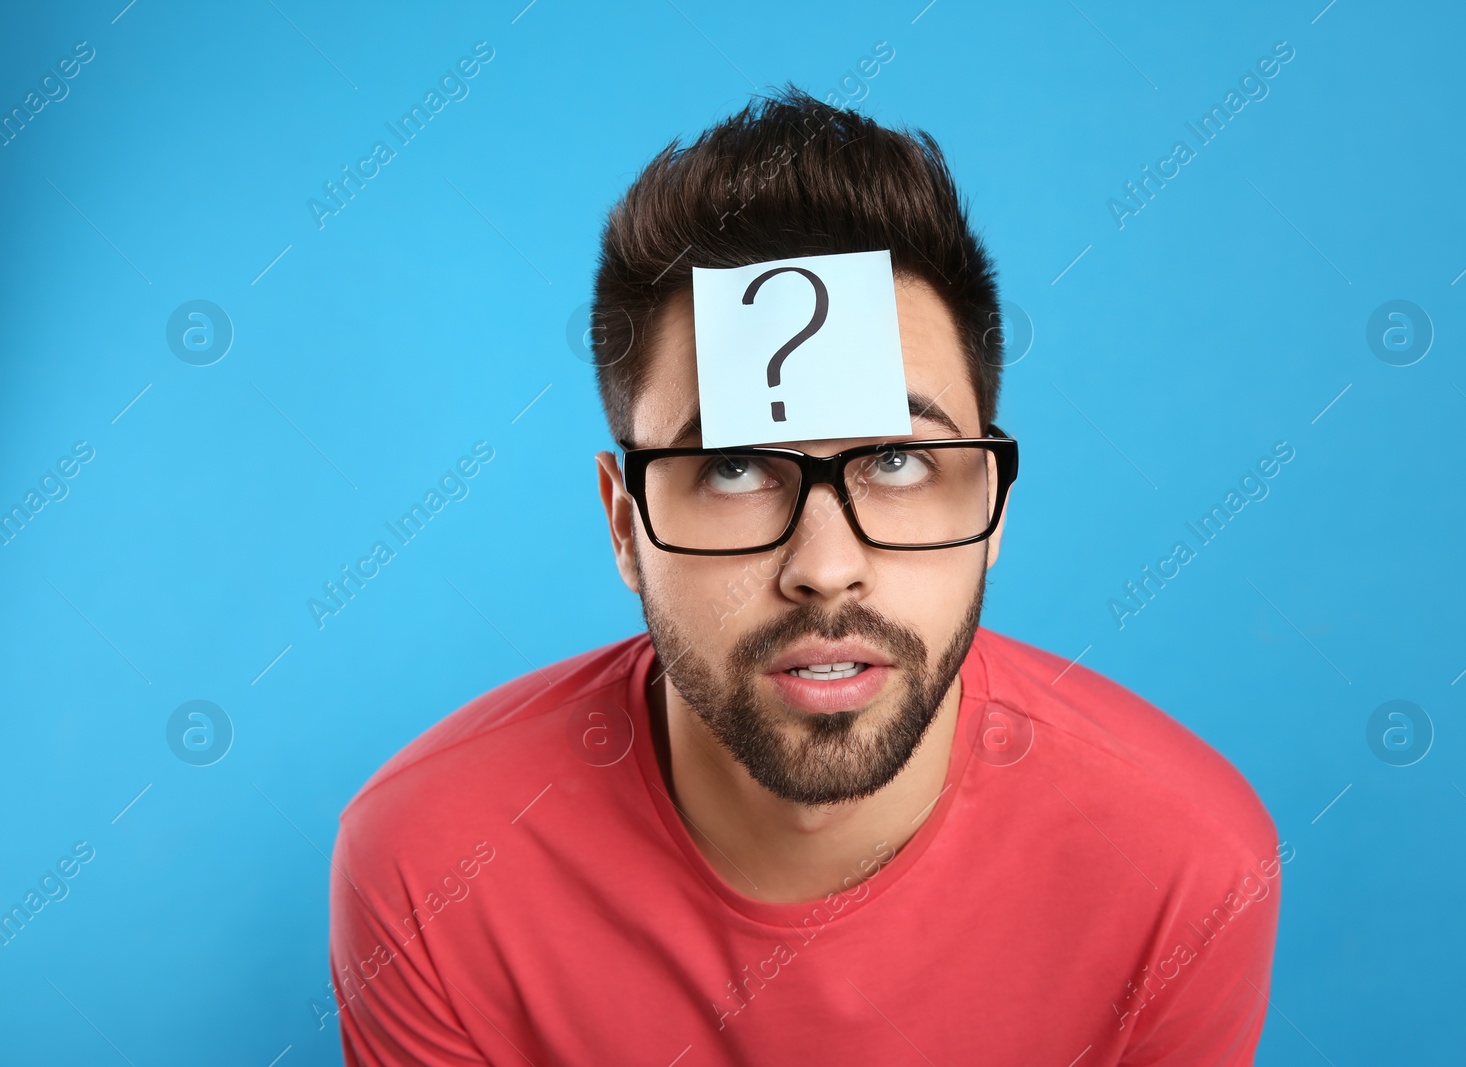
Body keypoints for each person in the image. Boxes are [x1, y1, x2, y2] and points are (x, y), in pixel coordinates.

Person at [329, 87, 1282, 1065]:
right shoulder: (431, 865)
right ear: (625, 523)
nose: (826, 571)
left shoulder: (1184, 866)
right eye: (735, 468)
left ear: (992, 503)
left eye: (899, 461)